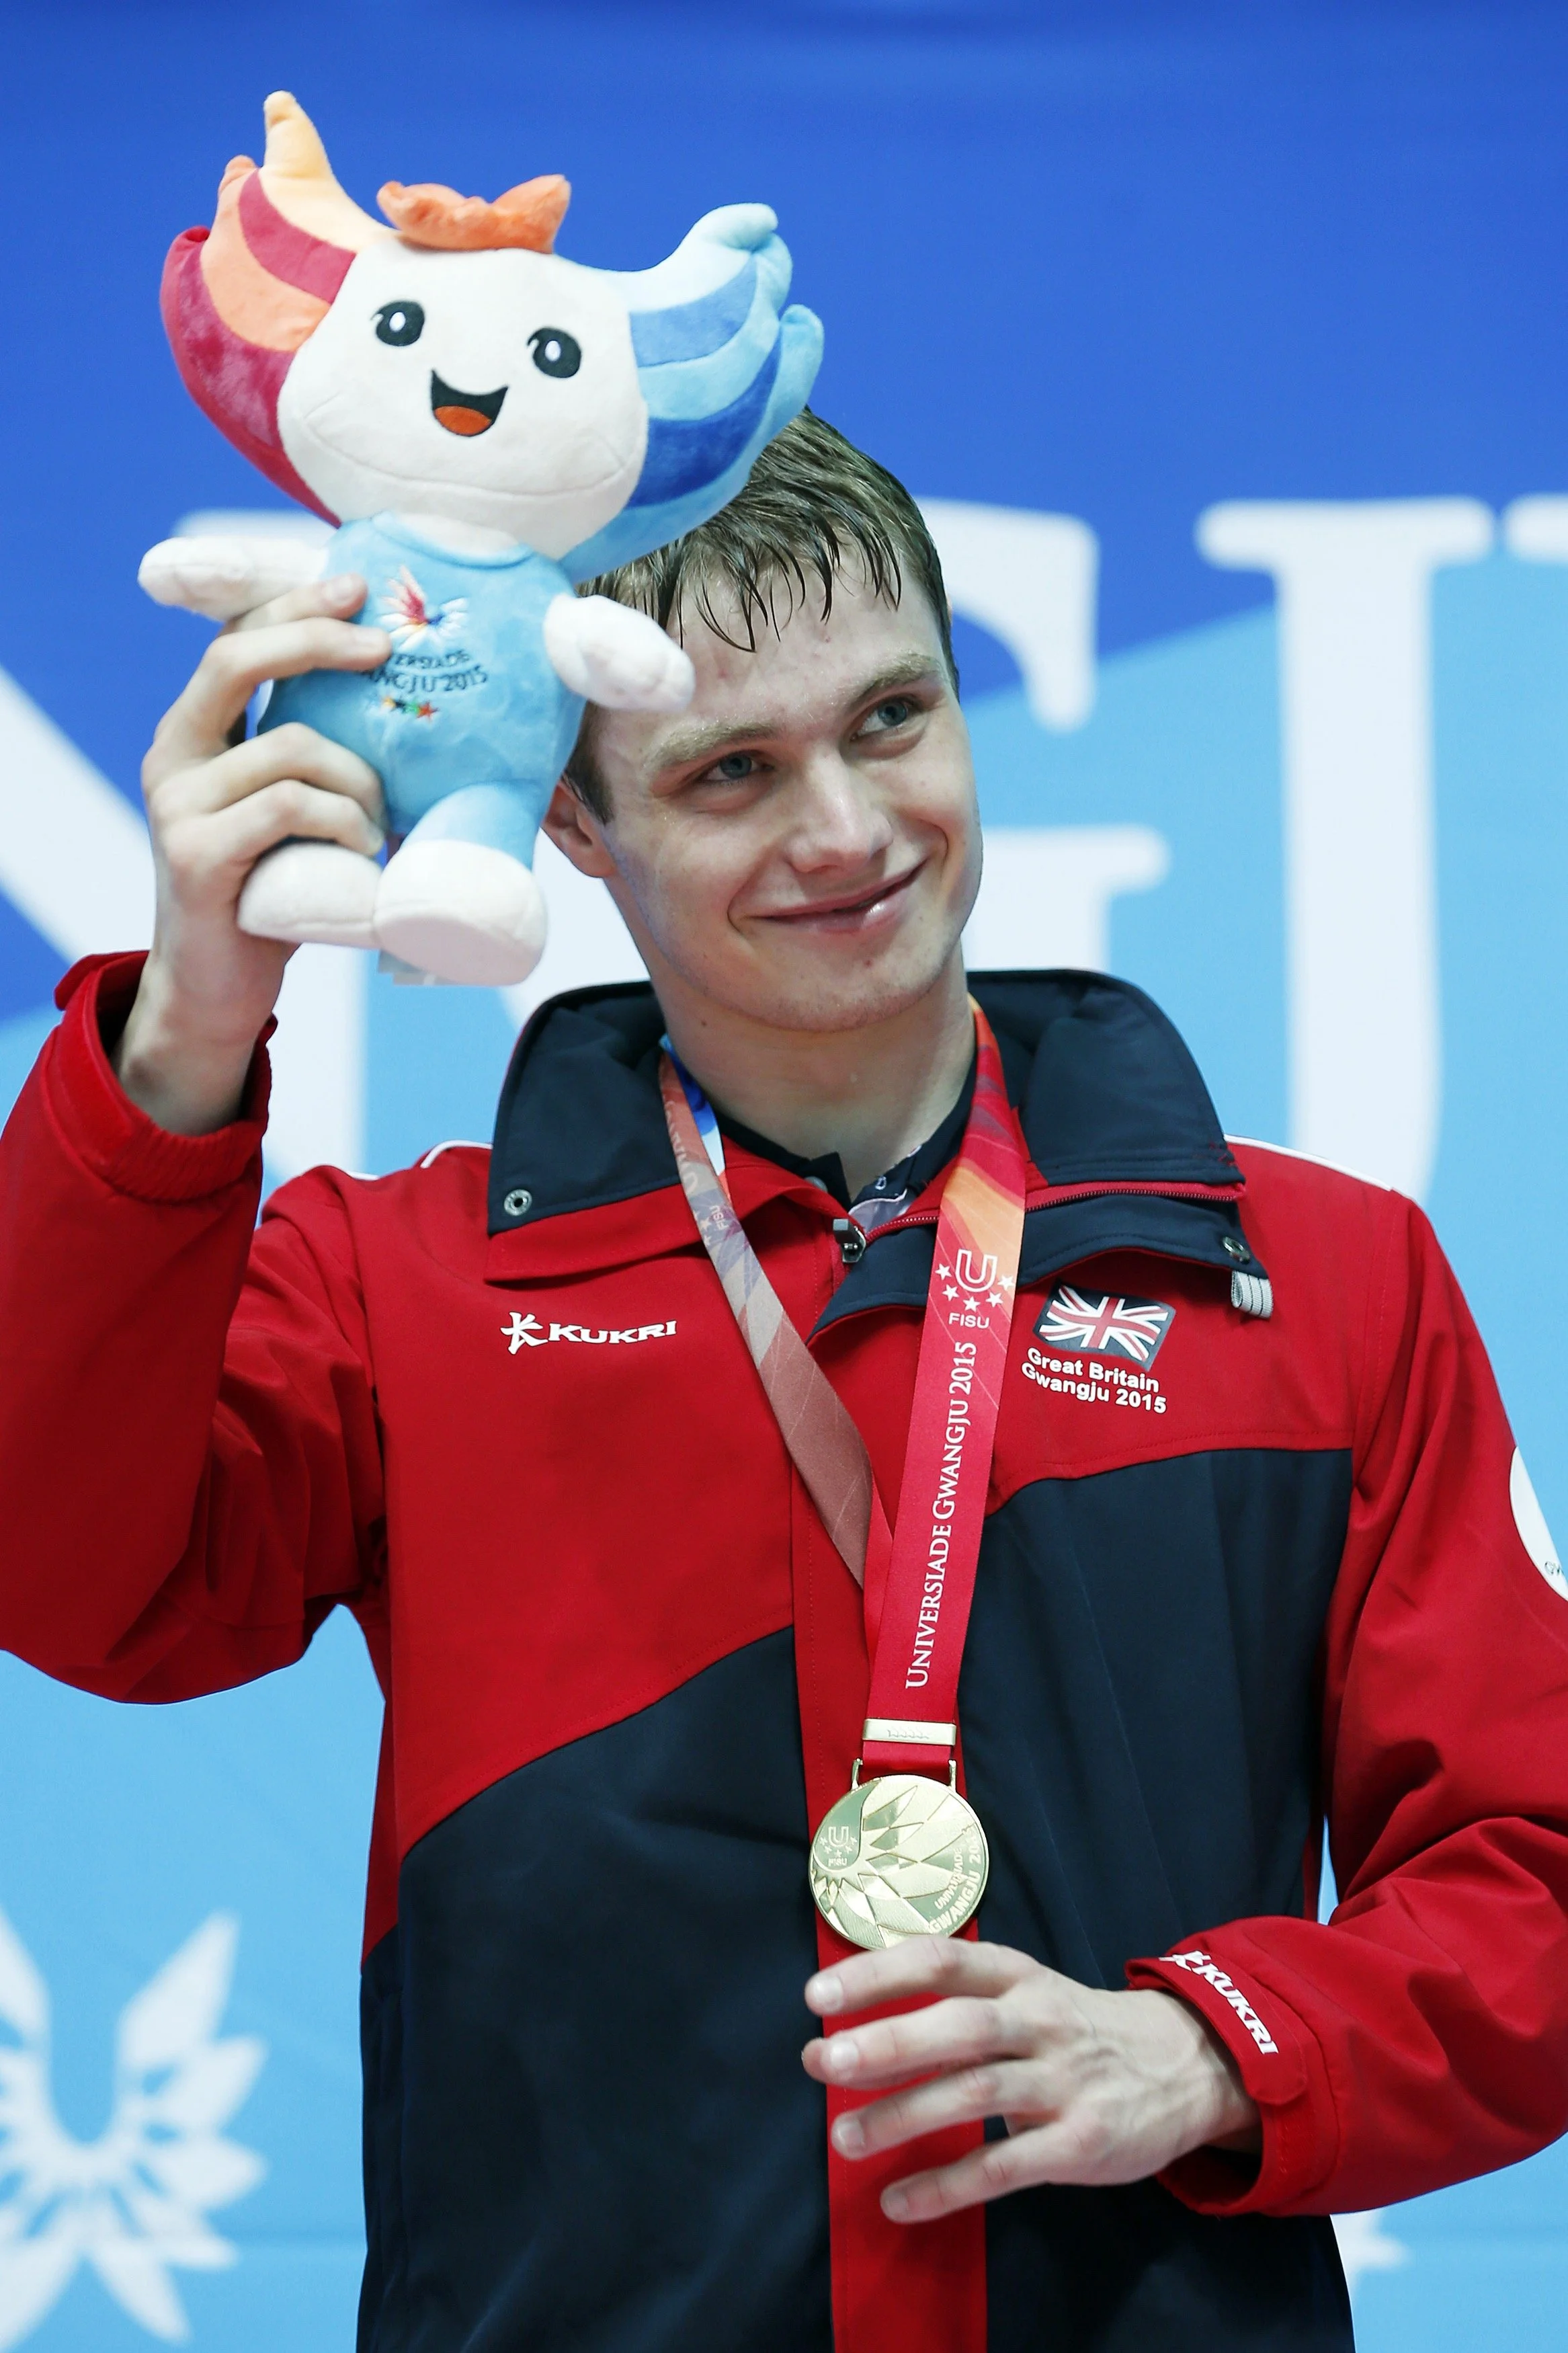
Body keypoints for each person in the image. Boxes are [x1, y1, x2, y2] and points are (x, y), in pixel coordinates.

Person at [2, 412, 1567, 2353]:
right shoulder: (399, 1286)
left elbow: (1535, 1878)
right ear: (570, 822)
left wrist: (1217, 2042)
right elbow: (78, 1580)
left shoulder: (1317, 1280)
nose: (843, 828)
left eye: (893, 717)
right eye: (732, 769)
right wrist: (186, 1030)